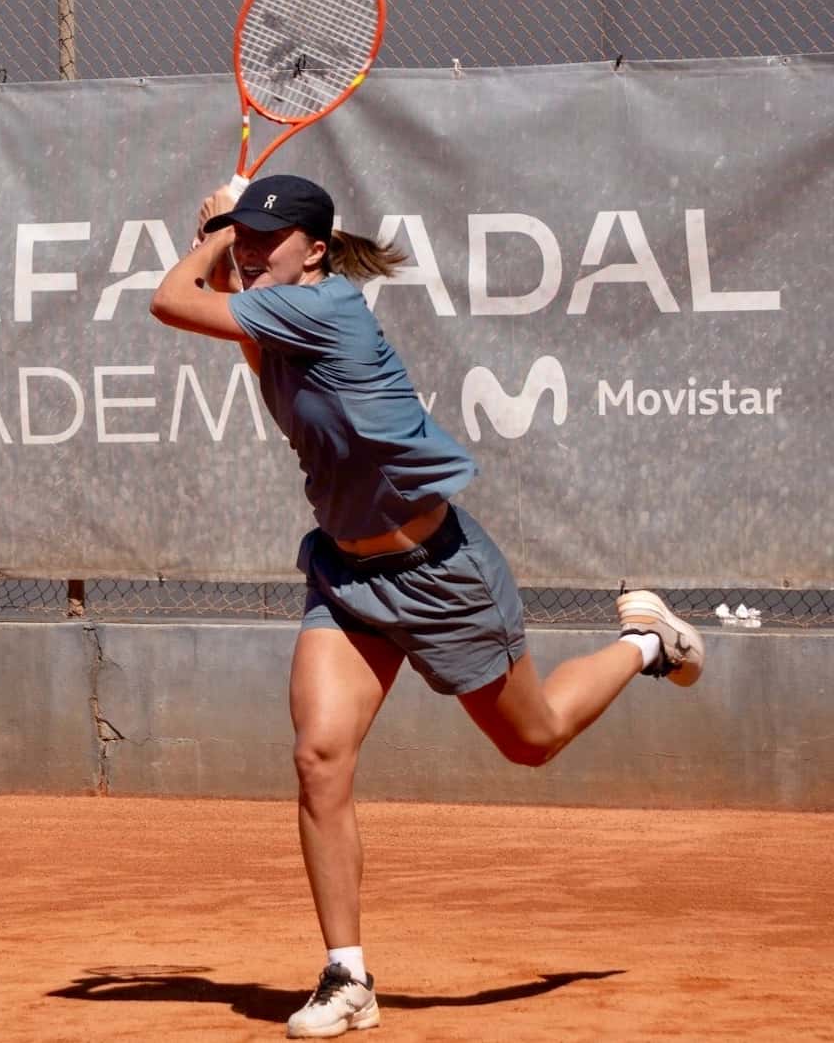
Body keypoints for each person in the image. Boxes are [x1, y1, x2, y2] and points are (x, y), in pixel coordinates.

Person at [149, 174, 704, 1039]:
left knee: (535, 739)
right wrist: (228, 245)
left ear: (318, 254)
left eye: (269, 239)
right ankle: (348, 977)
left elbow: (168, 300)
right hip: (348, 576)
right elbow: (223, 318)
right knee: (319, 758)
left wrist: (218, 232)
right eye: (248, 236)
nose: (253, 250)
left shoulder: (326, 310)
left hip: (440, 574)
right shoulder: (280, 320)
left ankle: (647, 644)